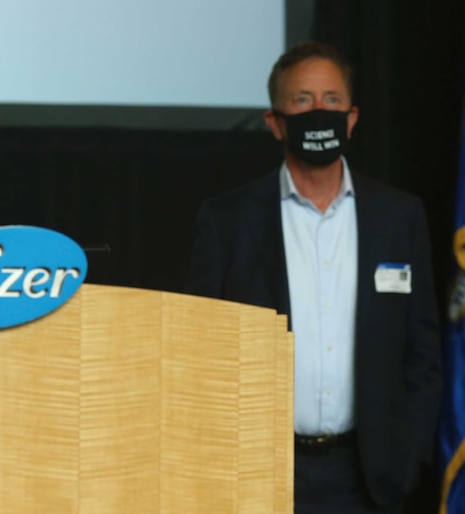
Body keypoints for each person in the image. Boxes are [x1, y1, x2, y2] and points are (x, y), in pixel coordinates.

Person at [184, 42, 442, 513]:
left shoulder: (399, 216)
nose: (318, 111)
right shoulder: (227, 220)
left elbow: (421, 352)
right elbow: (199, 351)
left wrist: (410, 455)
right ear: (275, 122)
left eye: (331, 100)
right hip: (259, 471)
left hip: (369, 476)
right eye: (302, 101)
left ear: (353, 117)